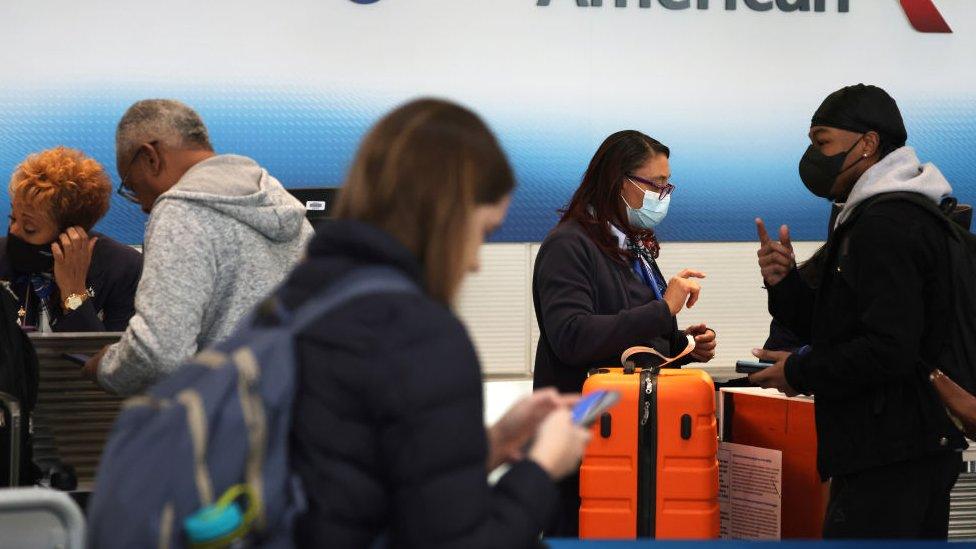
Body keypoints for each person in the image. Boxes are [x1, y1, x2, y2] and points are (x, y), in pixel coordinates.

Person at [282, 98, 590, 548]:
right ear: (445, 216)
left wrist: (491, 443)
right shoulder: (423, 338)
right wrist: (542, 467)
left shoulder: (298, 299)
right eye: (483, 232)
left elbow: (357, 480)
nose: (475, 264)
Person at [752, 84, 965, 539]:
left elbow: (888, 348)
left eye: (822, 141)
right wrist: (785, 283)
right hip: (905, 449)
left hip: (889, 458)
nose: (813, 156)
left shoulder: (885, 224)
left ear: (867, 144)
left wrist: (800, 371)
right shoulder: (876, 213)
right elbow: (839, 324)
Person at [532, 130, 717, 536]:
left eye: (668, 185)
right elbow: (573, 336)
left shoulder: (633, 247)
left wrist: (684, 343)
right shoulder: (569, 246)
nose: (663, 195)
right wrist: (662, 308)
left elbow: (630, 339)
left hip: (633, 441)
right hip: (582, 445)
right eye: (655, 185)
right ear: (620, 181)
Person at [83, 99, 314, 395]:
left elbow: (158, 352)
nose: (141, 205)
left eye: (131, 185)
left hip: (228, 424)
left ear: (150, 157)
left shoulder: (180, 210)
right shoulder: (282, 204)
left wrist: (104, 367)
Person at [1, 146, 142, 332]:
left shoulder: (122, 269)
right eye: (13, 218)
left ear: (70, 234)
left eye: (29, 228)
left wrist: (73, 293)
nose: (13, 231)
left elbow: (107, 356)